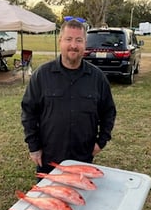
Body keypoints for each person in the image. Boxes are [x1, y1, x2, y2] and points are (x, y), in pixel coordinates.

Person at [21, 19, 116, 176]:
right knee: (50, 199)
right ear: (60, 41)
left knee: (80, 199)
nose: (73, 45)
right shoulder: (42, 75)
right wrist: (34, 147)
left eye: (79, 40)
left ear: (85, 43)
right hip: (49, 158)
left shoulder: (98, 78)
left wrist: (101, 142)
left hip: (83, 157)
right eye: (68, 39)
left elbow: (109, 112)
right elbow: (29, 112)